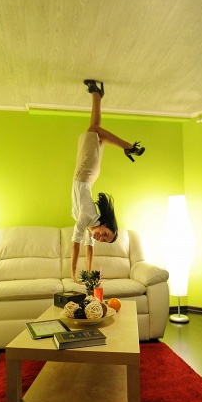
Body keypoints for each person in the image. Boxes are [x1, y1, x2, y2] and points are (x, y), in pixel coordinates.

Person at [70, 79, 145, 282]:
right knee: (94, 132)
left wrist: (90, 273)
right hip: (85, 173)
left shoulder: (90, 226)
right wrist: (73, 274)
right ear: (104, 224)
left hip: (87, 174)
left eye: (104, 239)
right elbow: (76, 245)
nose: (100, 237)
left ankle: (97, 95)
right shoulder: (88, 216)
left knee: (95, 130)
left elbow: (89, 248)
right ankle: (128, 147)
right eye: (105, 234)